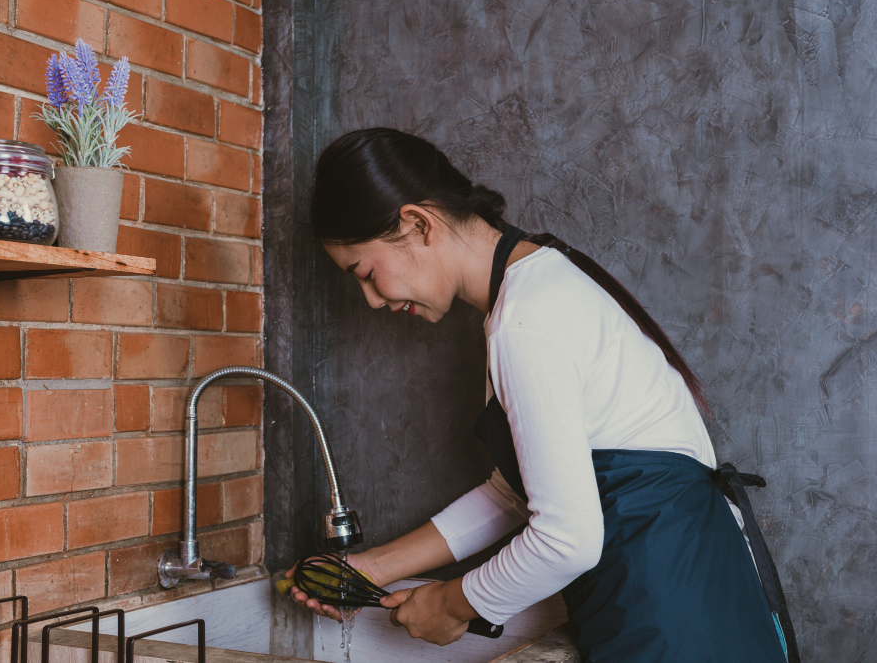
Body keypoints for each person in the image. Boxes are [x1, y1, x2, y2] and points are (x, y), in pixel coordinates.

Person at [285, 127, 799, 662]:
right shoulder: (533, 289)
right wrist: (372, 568)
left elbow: (566, 539)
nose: (370, 299)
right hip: (687, 594)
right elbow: (515, 494)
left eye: (365, 272)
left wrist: (454, 603)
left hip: (674, 617)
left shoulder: (524, 322)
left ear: (417, 224)